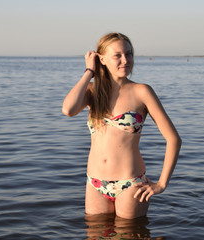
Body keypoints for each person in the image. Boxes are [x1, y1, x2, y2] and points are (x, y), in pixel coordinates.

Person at [62, 32, 182, 219]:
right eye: (117, 55)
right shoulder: (92, 91)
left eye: (129, 54)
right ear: (101, 59)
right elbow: (68, 110)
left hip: (131, 184)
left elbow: (173, 139)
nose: (125, 60)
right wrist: (89, 72)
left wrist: (162, 184)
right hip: (95, 183)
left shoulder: (142, 91)